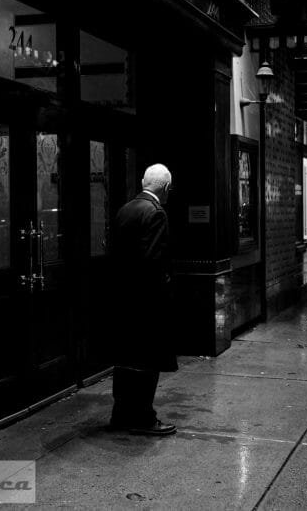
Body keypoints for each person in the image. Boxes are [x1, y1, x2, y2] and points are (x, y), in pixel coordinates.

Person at [108, 163, 178, 436]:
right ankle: (143, 418)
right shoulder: (156, 213)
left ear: (143, 181)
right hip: (146, 304)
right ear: (165, 188)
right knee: (147, 364)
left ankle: (121, 414)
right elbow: (153, 263)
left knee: (125, 362)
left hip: (123, 301)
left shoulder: (125, 209)